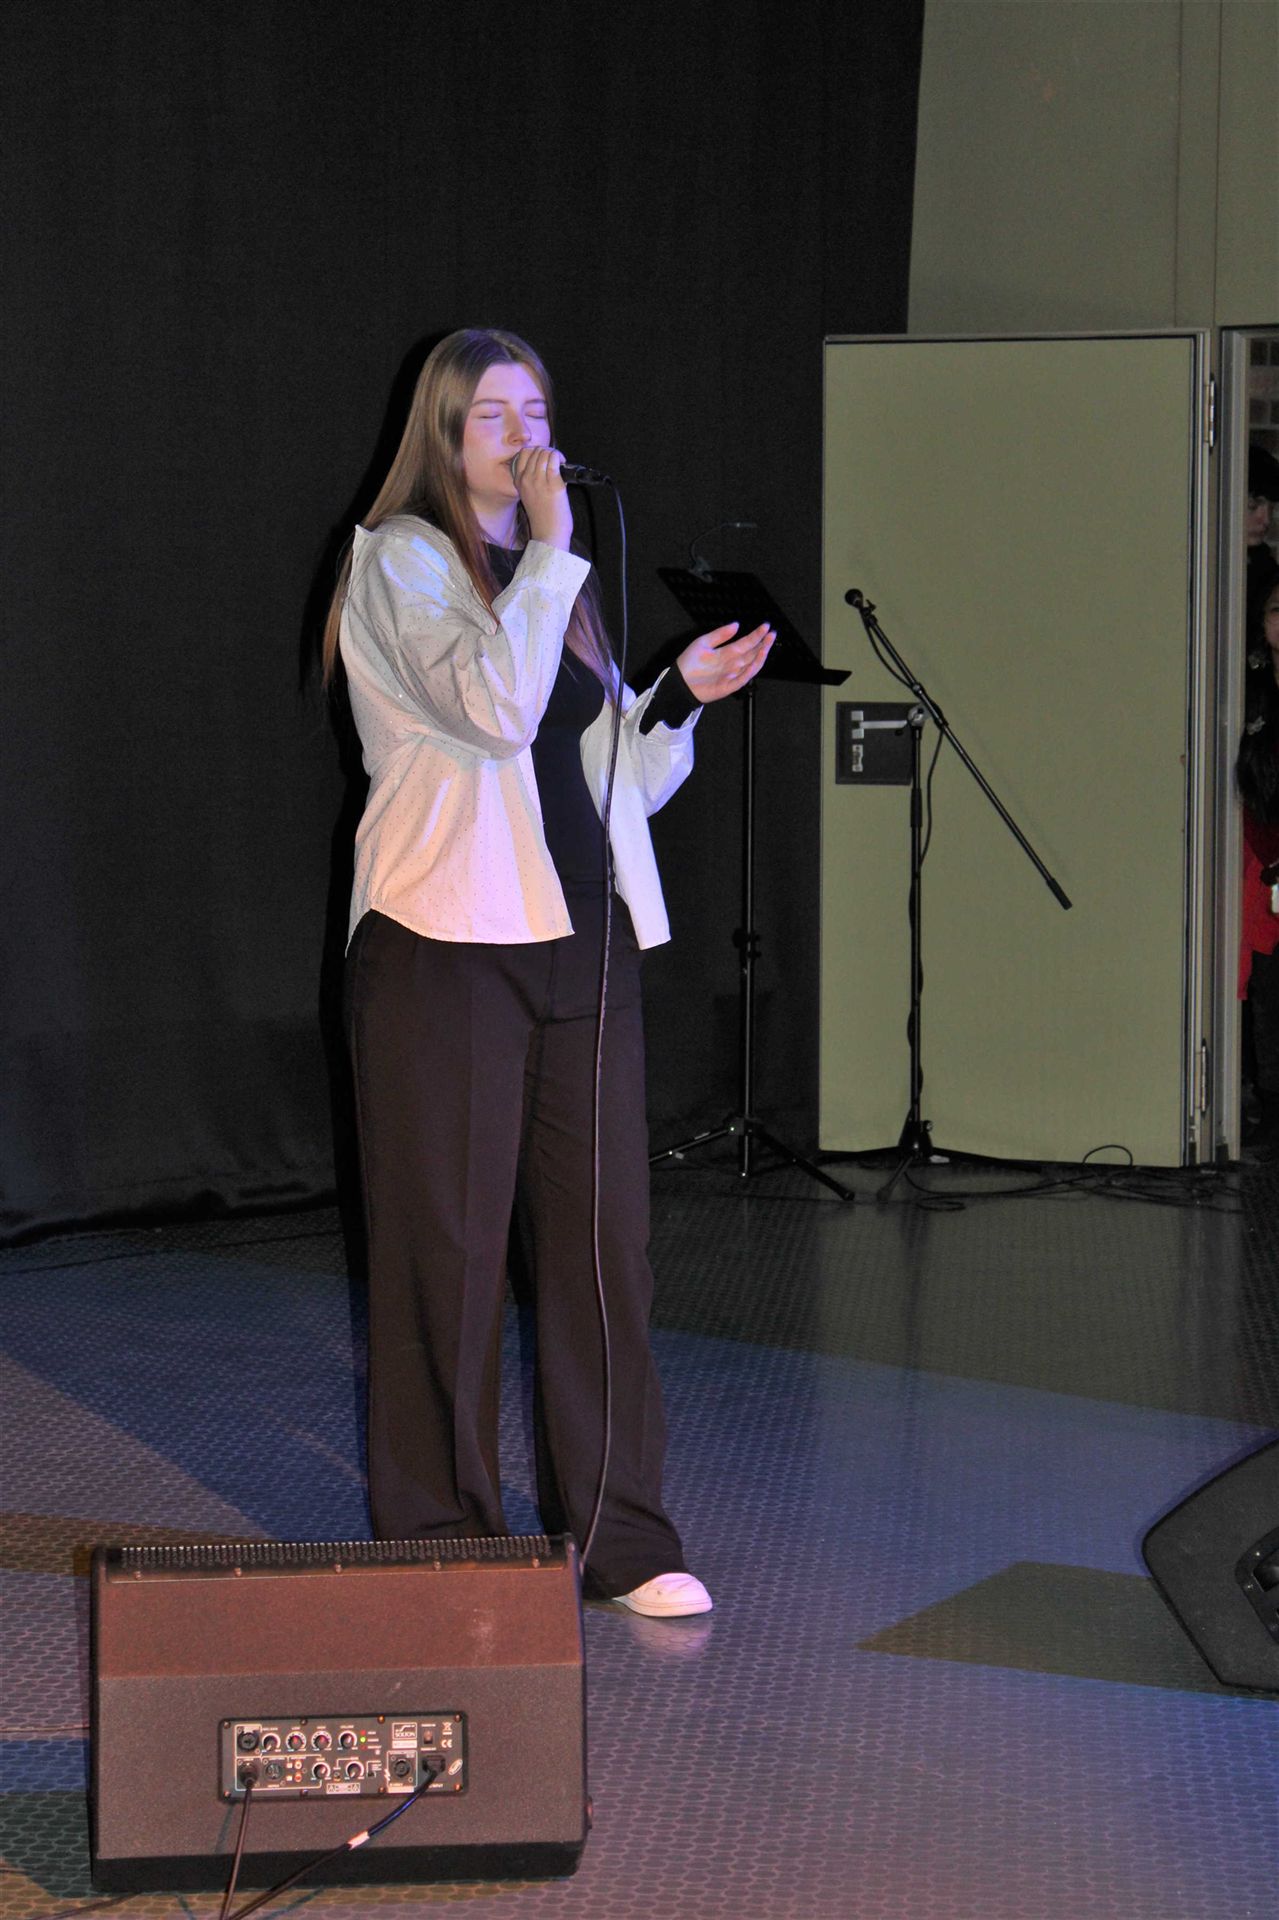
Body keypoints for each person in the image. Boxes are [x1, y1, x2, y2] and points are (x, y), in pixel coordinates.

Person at [322, 328, 774, 1616]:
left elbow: (603, 774)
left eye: (537, 411)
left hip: (583, 943)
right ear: (442, 434)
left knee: (600, 1250)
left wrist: (675, 697)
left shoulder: (550, 583)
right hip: (444, 947)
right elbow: (492, 714)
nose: (526, 436)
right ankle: (439, 1539)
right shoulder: (400, 563)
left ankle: (622, 1538)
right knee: (448, 1255)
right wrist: (552, 548)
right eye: (494, 417)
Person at [1238, 561, 1279, 1154]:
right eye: (1276, 611)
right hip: (1259, 854)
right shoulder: (1246, 688)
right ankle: (1268, 1104)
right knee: (1265, 984)